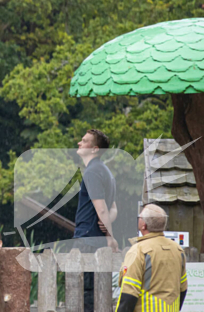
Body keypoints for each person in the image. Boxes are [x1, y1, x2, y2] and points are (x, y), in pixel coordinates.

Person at [75, 128, 118, 312]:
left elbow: (101, 208)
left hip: (89, 239)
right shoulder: (106, 171)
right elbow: (113, 208)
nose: (79, 143)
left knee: (88, 292)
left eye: (84, 141)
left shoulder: (92, 171)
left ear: (94, 149)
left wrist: (110, 236)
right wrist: (107, 223)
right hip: (96, 238)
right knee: (101, 290)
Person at [116, 204, 187, 312]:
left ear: (143, 225)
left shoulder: (138, 251)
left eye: (139, 217)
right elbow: (183, 290)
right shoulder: (178, 250)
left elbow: (128, 295)